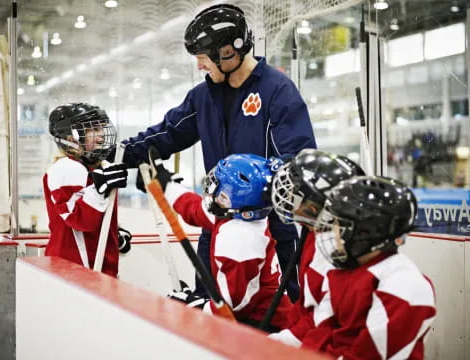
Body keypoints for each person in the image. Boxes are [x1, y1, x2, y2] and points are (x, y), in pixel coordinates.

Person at [122, 3, 316, 300]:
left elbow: (298, 161)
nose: (200, 65)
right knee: (211, 321)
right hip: (216, 230)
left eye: (202, 58)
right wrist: (123, 154)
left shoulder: (277, 90)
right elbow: (169, 133)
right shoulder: (204, 95)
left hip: (271, 236)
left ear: (229, 52)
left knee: (269, 326)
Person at [149, 151, 292, 331]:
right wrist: (166, 185)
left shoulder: (240, 239)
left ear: (230, 196)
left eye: (219, 187)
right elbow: (195, 209)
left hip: (264, 326)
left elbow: (235, 305)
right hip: (256, 317)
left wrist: (194, 307)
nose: (212, 190)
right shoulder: (238, 213)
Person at [295, 176, 436, 359]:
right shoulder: (342, 271)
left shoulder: (403, 287)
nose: (331, 231)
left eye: (338, 224)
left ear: (364, 233)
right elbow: (320, 334)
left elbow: (366, 355)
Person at [268, 149, 364, 343]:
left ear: (313, 207)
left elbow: (322, 323)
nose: (287, 194)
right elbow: (307, 305)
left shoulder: (334, 252)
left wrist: (278, 343)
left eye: (294, 192)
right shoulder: (316, 232)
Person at [43, 103, 129, 277]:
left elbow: (94, 216)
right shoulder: (66, 168)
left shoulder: (95, 168)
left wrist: (115, 233)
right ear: (71, 138)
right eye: (93, 130)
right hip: (73, 273)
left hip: (94, 270)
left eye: (101, 128)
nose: (101, 135)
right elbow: (79, 220)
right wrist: (99, 189)